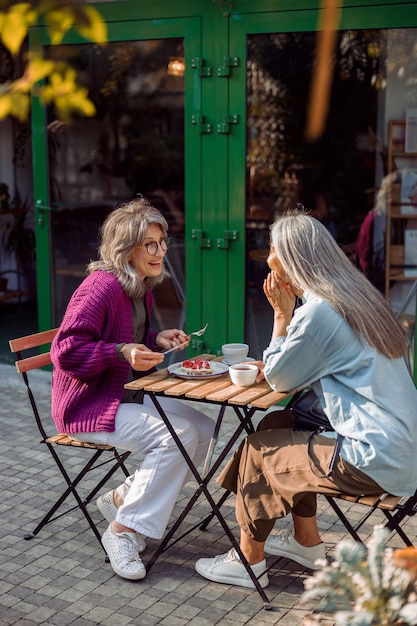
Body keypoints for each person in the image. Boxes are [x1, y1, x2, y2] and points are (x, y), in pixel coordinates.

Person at [195, 208, 417, 589]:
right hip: (403, 447)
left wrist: (281, 317)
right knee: (277, 425)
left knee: (259, 448)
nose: (266, 259)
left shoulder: (319, 312)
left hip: (375, 457)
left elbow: (280, 378)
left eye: (272, 249)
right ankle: (306, 542)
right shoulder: (360, 297)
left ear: (292, 258)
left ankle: (249, 563)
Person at [50, 197, 214, 581]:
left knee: (205, 430)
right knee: (178, 436)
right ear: (126, 250)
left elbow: (129, 335)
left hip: (122, 398)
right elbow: (66, 351)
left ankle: (123, 499)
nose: (161, 252)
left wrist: (155, 340)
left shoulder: (138, 285)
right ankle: (122, 532)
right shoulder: (100, 288)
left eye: (163, 242)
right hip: (87, 407)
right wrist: (121, 352)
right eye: (151, 245)